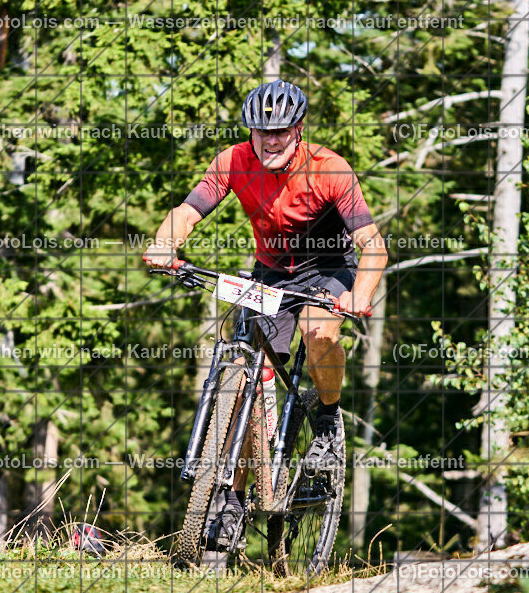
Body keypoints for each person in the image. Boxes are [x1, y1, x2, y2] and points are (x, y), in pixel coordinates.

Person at [143, 79, 388, 548]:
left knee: (319, 338)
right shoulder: (234, 161)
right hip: (270, 276)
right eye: (261, 131)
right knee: (246, 379)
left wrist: (361, 291)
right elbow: (188, 211)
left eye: (280, 131)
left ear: (298, 130)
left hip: (328, 272)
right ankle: (233, 501)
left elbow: (372, 244)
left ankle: (328, 419)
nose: (269, 140)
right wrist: (164, 244)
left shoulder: (330, 169)